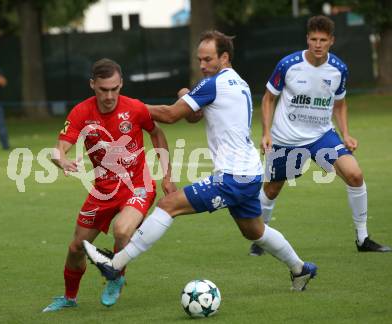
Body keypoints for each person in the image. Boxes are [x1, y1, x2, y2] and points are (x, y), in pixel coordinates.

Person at [83, 30, 317, 293]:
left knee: (169, 204)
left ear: (224, 57)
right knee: (254, 231)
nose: (202, 65)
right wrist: (189, 94)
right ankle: (301, 269)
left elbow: (171, 115)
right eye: (199, 60)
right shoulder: (237, 82)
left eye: (208, 59)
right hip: (249, 172)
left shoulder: (213, 85)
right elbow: (193, 117)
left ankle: (116, 263)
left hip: (232, 175)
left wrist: (129, 106)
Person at [248, 15, 391, 257]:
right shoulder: (288, 65)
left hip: (321, 137)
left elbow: (340, 105)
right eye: (313, 39)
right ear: (307, 39)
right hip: (286, 139)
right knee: (271, 190)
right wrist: (266, 133)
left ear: (331, 41)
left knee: (355, 175)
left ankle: (362, 238)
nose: (317, 44)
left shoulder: (338, 69)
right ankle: (261, 238)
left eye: (322, 40)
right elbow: (268, 98)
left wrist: (345, 133)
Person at [43, 58, 176, 312]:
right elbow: (59, 148)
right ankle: (69, 298)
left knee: (122, 230)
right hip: (103, 191)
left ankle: (116, 275)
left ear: (121, 84)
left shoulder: (135, 108)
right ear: (93, 85)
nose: (110, 95)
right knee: (76, 248)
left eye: (115, 88)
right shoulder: (81, 112)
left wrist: (167, 176)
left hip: (138, 185)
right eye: (104, 89)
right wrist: (62, 161)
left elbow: (157, 132)